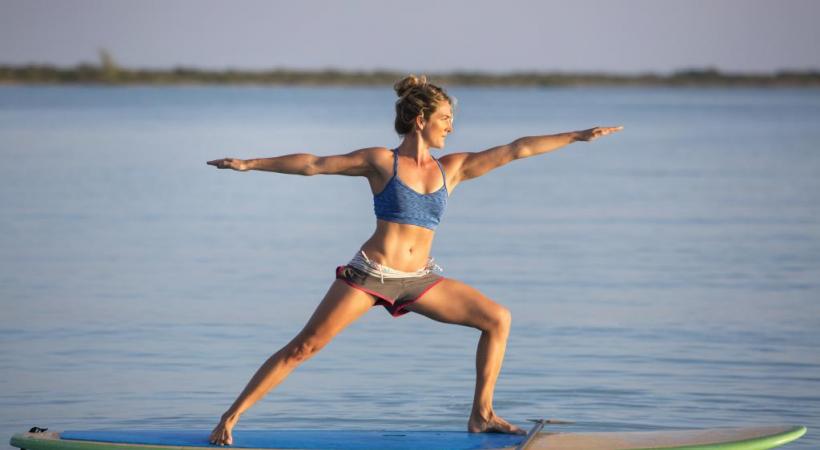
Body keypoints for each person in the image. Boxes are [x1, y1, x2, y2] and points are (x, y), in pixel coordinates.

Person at [206, 75, 622, 445]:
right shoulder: (380, 162)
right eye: (445, 118)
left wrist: (576, 136)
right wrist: (250, 164)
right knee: (304, 346)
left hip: (418, 280)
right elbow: (314, 165)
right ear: (420, 119)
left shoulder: (452, 169)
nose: (451, 126)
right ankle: (230, 417)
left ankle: (482, 414)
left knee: (497, 319)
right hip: (370, 274)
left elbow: (517, 149)